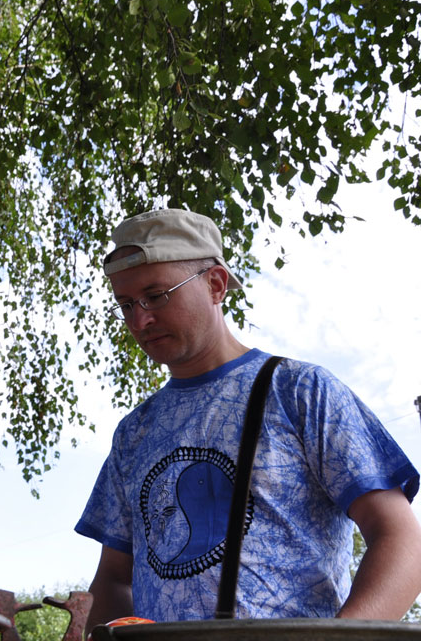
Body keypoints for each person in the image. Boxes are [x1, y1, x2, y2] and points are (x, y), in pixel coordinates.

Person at [75, 208, 421, 627]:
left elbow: (402, 541)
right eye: (127, 304)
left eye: (157, 295)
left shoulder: (299, 391)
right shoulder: (134, 432)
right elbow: (114, 580)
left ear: (216, 284)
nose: (141, 320)